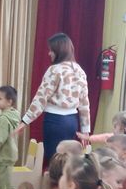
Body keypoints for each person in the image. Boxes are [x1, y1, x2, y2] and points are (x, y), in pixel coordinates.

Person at [14, 33, 90, 164]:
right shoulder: (79, 70)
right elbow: (84, 103)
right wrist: (85, 130)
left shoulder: (54, 70)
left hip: (55, 121)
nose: (49, 53)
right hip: (72, 121)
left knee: (54, 160)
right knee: (67, 160)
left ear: (59, 51)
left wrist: (25, 121)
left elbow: (41, 98)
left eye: (51, 50)